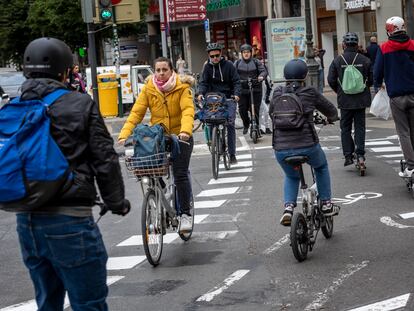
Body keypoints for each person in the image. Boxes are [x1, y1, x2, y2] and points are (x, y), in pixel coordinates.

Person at [15, 37, 130, 310]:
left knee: (48, 302)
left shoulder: (15, 107)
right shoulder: (80, 104)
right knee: (88, 303)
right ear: (65, 71)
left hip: (26, 221)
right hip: (70, 220)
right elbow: (105, 159)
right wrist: (116, 202)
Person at [118, 57, 195, 232]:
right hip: (158, 139)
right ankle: (161, 194)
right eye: (158, 70)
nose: (160, 73)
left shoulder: (182, 88)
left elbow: (188, 111)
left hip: (180, 137)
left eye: (164, 70)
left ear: (171, 70)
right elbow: (136, 113)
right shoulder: (149, 89)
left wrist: (185, 132)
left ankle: (185, 215)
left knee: (180, 173)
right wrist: (124, 134)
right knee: (150, 169)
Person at [270, 59, 339, 226]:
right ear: (305, 75)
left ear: (285, 76)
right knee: (321, 167)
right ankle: (326, 203)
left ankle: (288, 208)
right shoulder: (310, 92)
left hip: (281, 148)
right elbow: (331, 110)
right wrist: (331, 118)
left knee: (291, 176)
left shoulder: (277, 93)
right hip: (307, 145)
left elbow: (272, 112)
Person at [374, 16, 414, 177]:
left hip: (396, 96)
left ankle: (411, 166)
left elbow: (377, 72)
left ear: (389, 30)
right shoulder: (412, 45)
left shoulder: (384, 48)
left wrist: (378, 84)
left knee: (403, 132)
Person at [327, 32, 372, 167]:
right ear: (357, 45)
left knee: (345, 128)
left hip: (345, 100)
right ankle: (360, 154)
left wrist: (339, 90)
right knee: (360, 127)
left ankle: (348, 155)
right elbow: (372, 78)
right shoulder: (365, 60)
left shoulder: (337, 60)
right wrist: (364, 87)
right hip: (360, 99)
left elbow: (331, 80)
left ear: (343, 45)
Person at [197, 42, 241, 164]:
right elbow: (203, 82)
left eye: (217, 55)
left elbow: (236, 81)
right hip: (213, 99)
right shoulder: (207, 67)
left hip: (228, 98)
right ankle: (215, 143)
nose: (215, 58)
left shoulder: (229, 65)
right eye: (212, 56)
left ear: (221, 54)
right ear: (209, 56)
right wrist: (200, 93)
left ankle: (232, 154)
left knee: (230, 124)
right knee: (210, 122)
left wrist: (236, 94)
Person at [234, 44, 267, 136]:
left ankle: (256, 127)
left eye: (248, 52)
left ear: (251, 53)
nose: (246, 54)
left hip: (255, 89)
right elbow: (232, 74)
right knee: (242, 109)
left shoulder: (256, 62)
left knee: (255, 110)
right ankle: (246, 124)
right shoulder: (237, 63)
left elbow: (263, 71)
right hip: (242, 90)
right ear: (241, 54)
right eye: (244, 52)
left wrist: (261, 76)